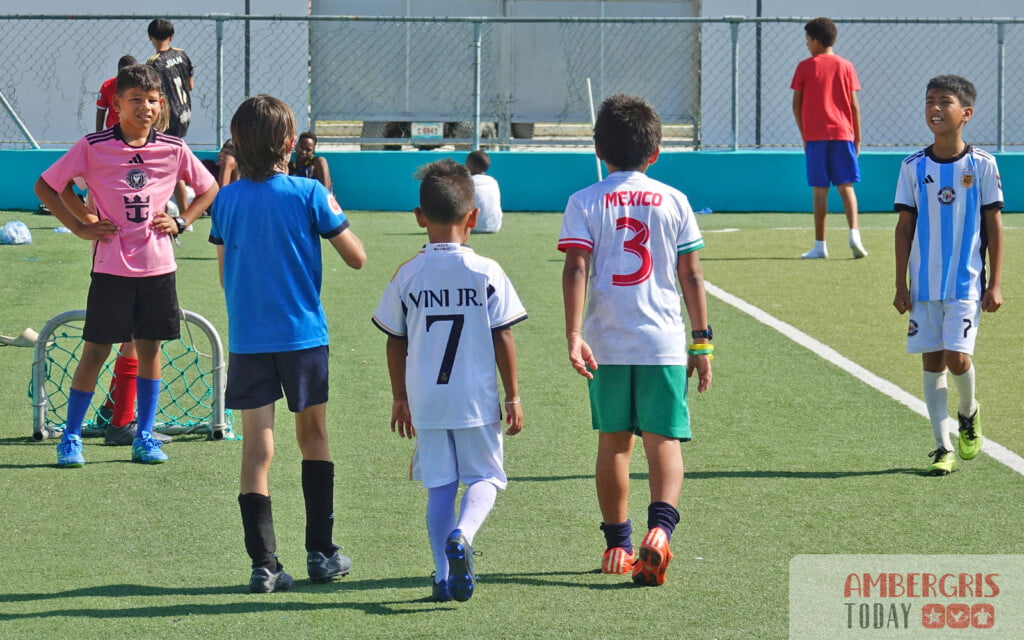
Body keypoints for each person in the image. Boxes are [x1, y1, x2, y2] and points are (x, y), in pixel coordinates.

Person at [209, 95, 366, 594]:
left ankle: (264, 565)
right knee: (313, 437)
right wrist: (329, 207)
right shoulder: (309, 192)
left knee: (256, 448)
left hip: (249, 338)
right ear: (290, 143)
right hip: (302, 336)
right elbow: (357, 257)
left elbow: (222, 271)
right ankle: (321, 552)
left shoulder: (226, 199)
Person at [558, 94, 712, 587]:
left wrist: (574, 333)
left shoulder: (584, 200)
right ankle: (661, 532)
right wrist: (702, 340)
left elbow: (576, 266)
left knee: (614, 443)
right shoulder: (675, 200)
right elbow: (691, 275)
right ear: (656, 151)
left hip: (605, 342)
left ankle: (618, 545)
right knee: (663, 442)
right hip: (662, 341)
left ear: (599, 149)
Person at [34, 63, 217, 467]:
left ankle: (145, 435)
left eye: (153, 100)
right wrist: (82, 225)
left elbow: (210, 188)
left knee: (150, 351)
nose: (146, 107)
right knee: (96, 351)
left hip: (158, 269)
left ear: (162, 104)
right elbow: (48, 185)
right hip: (112, 270)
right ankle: (70, 438)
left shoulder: (173, 149)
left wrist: (182, 220)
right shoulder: (94, 146)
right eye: (136, 99)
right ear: (117, 104)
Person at [372, 159, 526, 603]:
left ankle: (442, 576)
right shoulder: (487, 272)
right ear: (472, 217)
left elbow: (393, 343)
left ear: (420, 217)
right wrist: (513, 395)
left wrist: (400, 398)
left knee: (439, 485)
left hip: (427, 400)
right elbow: (504, 336)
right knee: (485, 477)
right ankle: (465, 533)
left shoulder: (408, 274)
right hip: (475, 399)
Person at [893, 75, 1003, 476]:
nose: (934, 109)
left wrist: (994, 284)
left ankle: (969, 413)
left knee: (958, 359)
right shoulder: (913, 166)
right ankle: (942, 447)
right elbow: (904, 227)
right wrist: (900, 283)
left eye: (944, 102)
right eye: (929, 101)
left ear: (966, 113)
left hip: (965, 283)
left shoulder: (982, 165)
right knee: (932, 362)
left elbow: (993, 226)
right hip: (924, 286)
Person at [791, 17, 867, 259]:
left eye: (807, 40)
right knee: (846, 186)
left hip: (816, 136)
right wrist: (857, 137)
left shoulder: (805, 66)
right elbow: (854, 106)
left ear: (815, 40)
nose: (806, 44)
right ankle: (854, 233)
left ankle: (820, 245)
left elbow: (796, 104)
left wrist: (805, 134)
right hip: (844, 133)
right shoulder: (846, 66)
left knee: (820, 190)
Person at [95, 55, 137, 132]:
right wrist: (98, 135)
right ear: (119, 73)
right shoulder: (107, 86)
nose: (131, 78)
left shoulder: (141, 87)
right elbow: (101, 111)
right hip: (113, 131)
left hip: (135, 130)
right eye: (127, 75)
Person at [465, 149, 503, 233]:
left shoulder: (467, 181)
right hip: (494, 227)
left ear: (472, 166)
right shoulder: (493, 182)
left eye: (467, 163)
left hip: (472, 227)